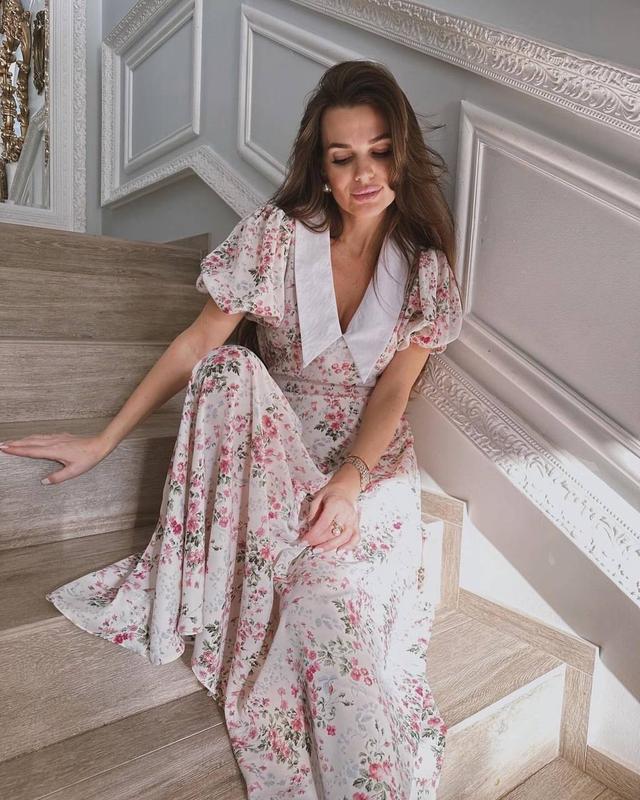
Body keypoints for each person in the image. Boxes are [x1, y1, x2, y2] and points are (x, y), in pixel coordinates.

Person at [0, 61, 463, 798]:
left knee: (325, 607)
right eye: (342, 157)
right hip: (269, 449)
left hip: (365, 464)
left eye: (379, 151)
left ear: (401, 153)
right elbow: (197, 345)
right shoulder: (277, 240)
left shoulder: (425, 272)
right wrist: (104, 440)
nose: (364, 174)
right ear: (321, 168)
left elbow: (395, 389)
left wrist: (350, 481)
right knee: (227, 369)